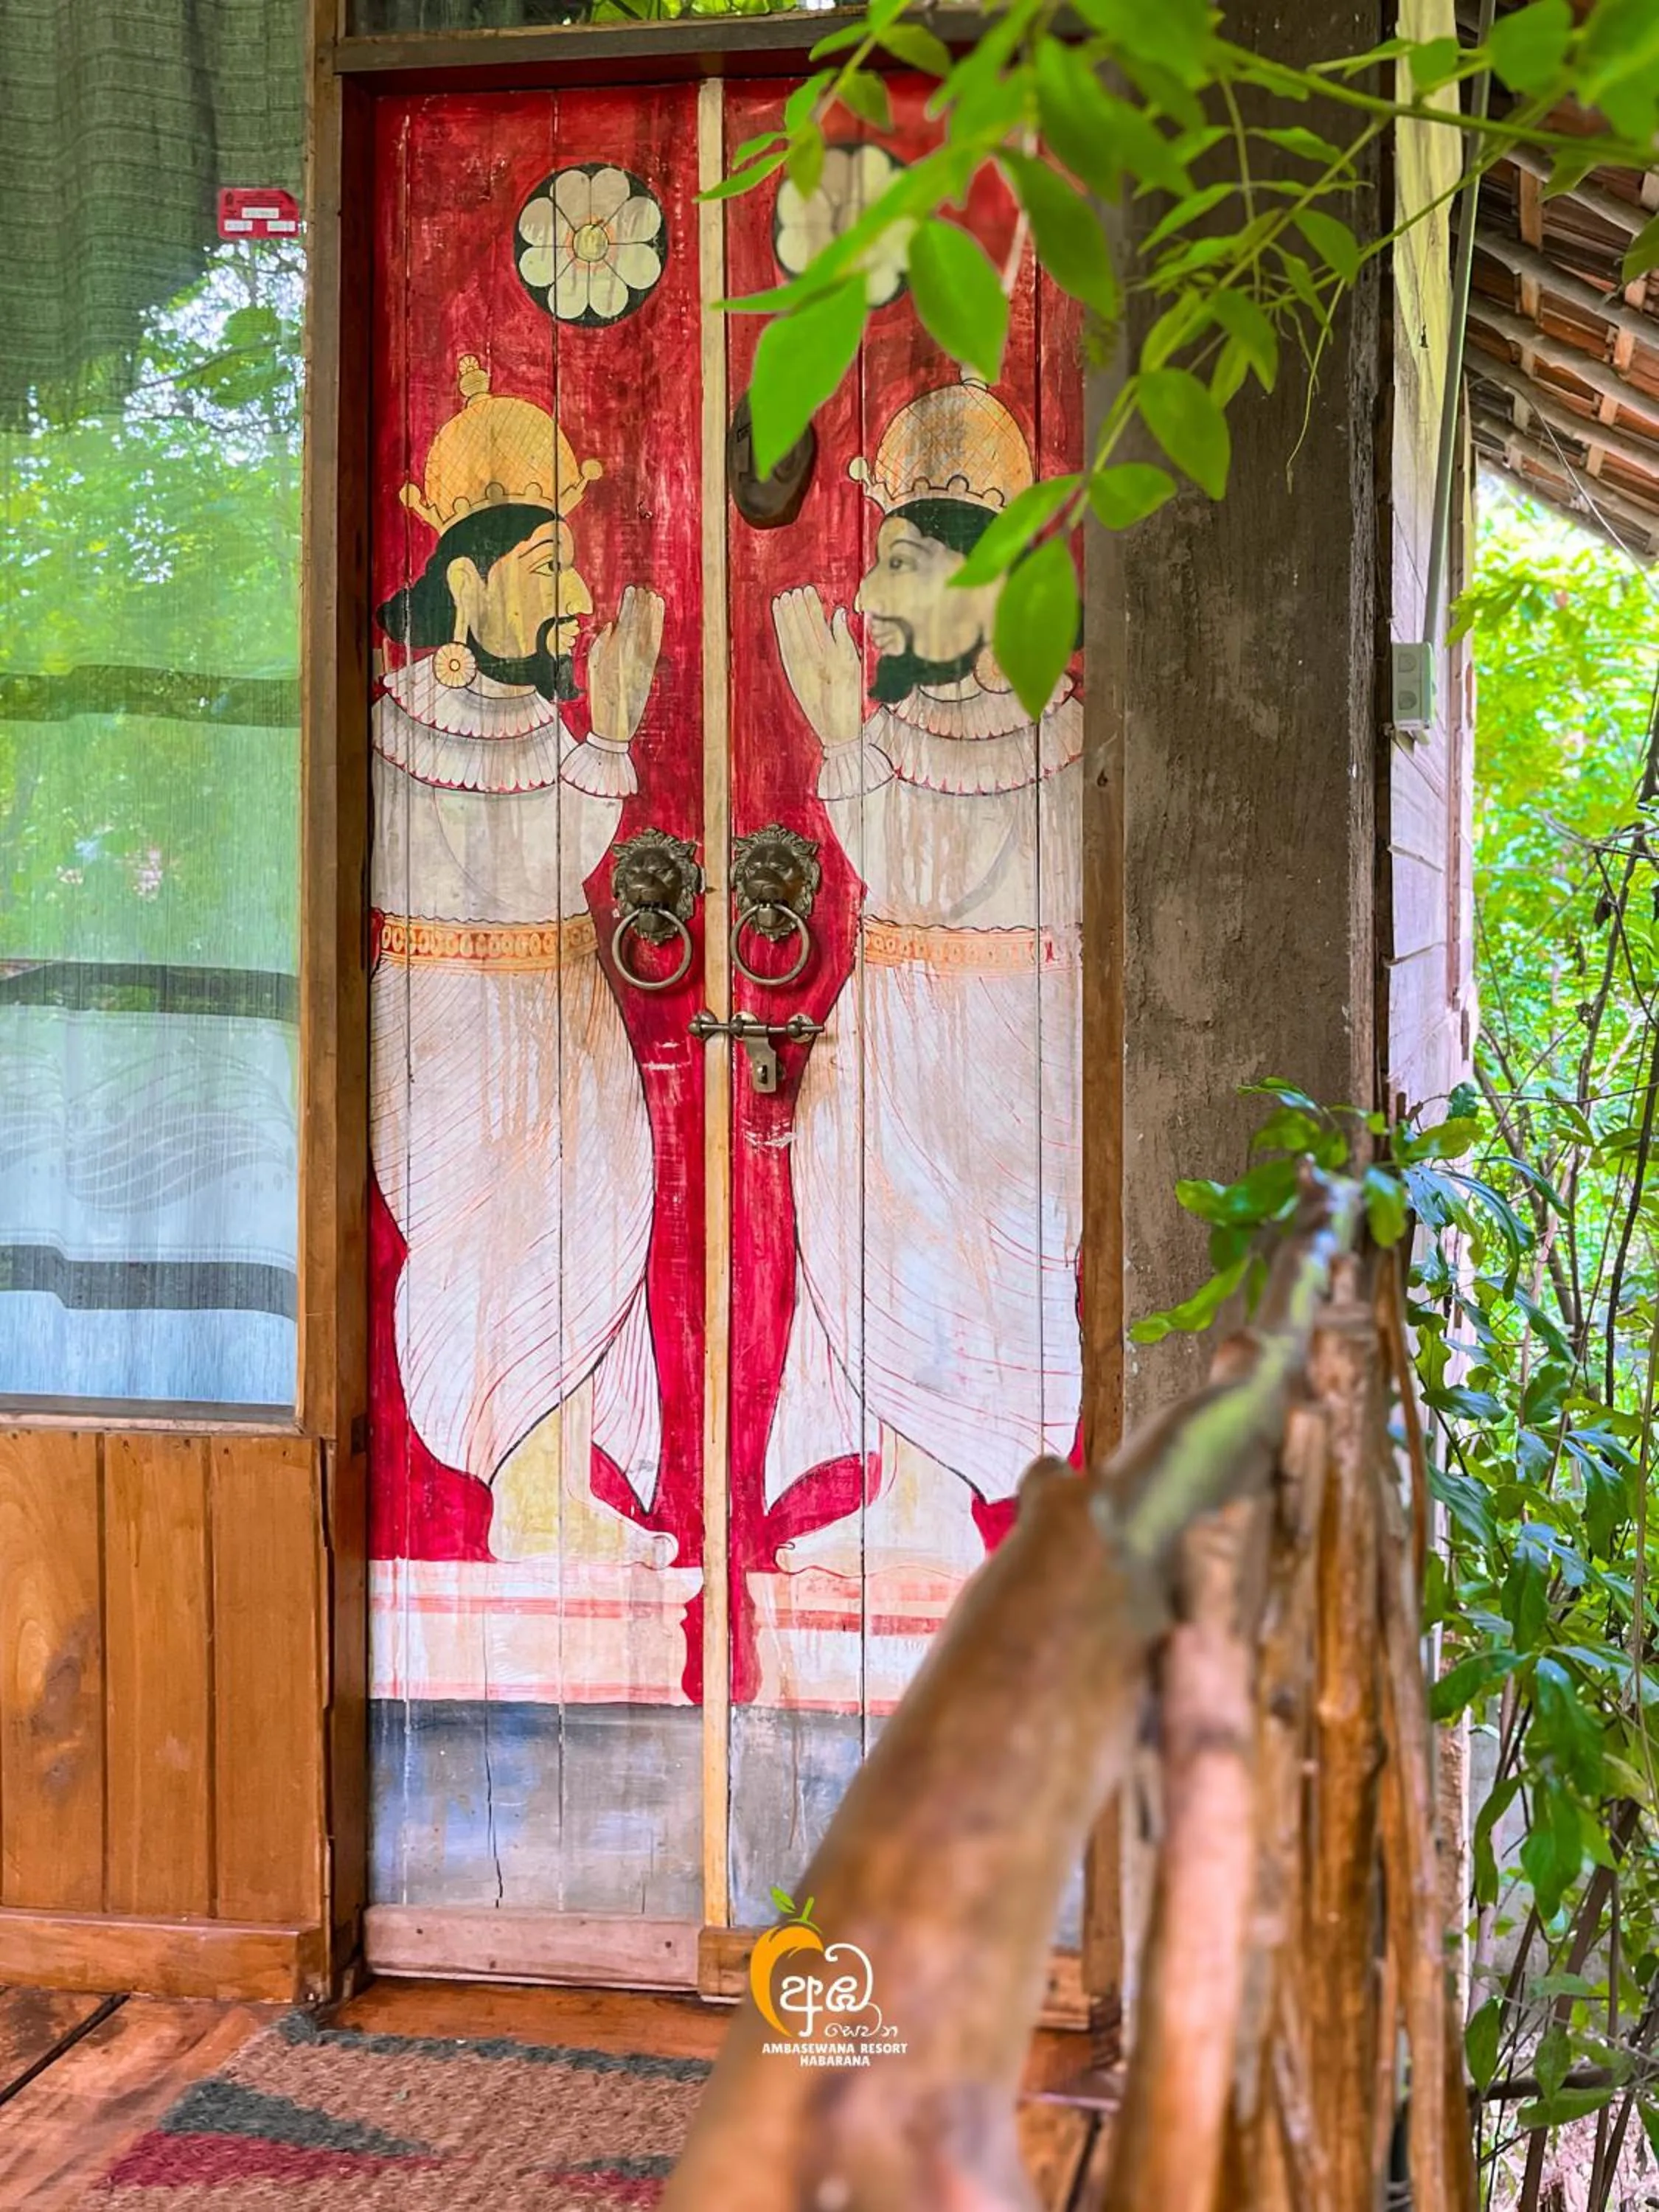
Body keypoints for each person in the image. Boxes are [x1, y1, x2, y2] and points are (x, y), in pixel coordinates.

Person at [765, 368, 1082, 1617]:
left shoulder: (1058, 732)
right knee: (874, 1244)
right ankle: (898, 1487)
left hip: (1008, 1047)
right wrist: (852, 741)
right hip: (887, 1028)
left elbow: (954, 875)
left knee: (988, 1260)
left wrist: (845, 743)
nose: (867, 595)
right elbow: (894, 878)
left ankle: (981, 1502)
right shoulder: (890, 731)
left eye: (901, 565)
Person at [371, 352, 667, 1555]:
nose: (580, 589)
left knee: (590, 1230)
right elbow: (516, 864)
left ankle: (558, 1493)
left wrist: (614, 729)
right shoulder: (395, 720)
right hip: (449, 1019)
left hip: (565, 1008)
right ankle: (521, 1496)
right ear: (463, 577)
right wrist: (615, 736)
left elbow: (569, 863)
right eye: (548, 565)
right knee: (495, 1243)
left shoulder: (546, 719)